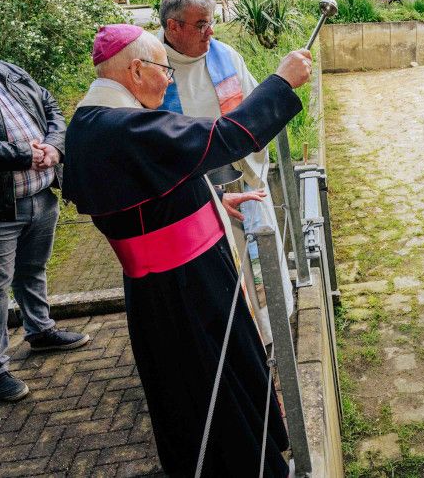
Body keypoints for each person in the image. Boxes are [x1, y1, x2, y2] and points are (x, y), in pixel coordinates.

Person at [63, 24, 312, 476]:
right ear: (136, 70)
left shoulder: (91, 123)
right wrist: (281, 82)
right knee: (215, 388)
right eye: (164, 69)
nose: (170, 79)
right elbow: (226, 136)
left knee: (222, 377)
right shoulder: (126, 126)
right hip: (186, 291)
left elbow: (150, 194)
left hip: (173, 283)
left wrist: (213, 201)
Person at [0, 0, 90, 402]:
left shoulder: (7, 69)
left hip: (39, 195)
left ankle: (40, 330)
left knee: (33, 270)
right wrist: (22, 155)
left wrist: (54, 147)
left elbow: (50, 106)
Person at [156, 0, 292, 334]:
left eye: (211, 21)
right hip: (190, 198)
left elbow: (254, 114)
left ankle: (269, 331)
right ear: (173, 28)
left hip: (241, 181)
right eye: (201, 24)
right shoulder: (151, 65)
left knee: (257, 266)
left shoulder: (225, 57)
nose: (211, 31)